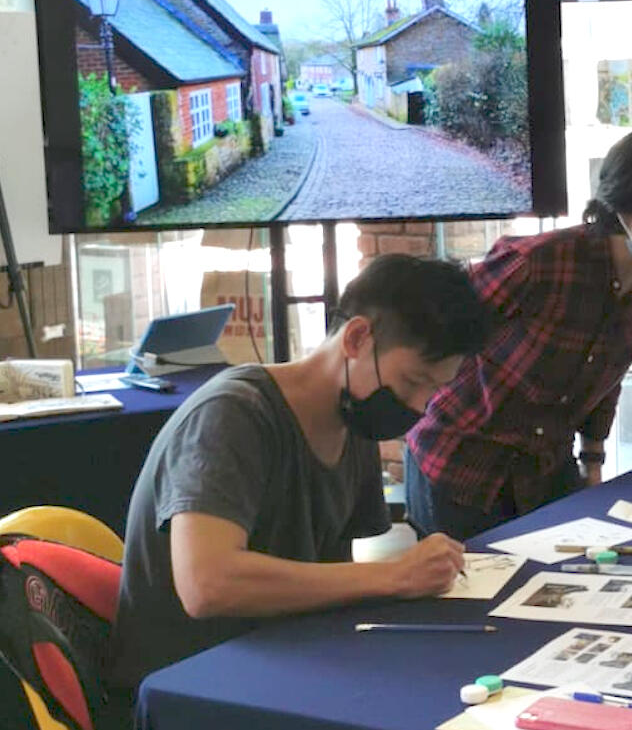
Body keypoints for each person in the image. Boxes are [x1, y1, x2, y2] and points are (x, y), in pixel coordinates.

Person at [109, 255, 488, 690]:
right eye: (412, 381)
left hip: (285, 659)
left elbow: (333, 578)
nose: (420, 406)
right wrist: (394, 576)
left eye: (434, 391)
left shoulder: (354, 424)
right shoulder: (232, 415)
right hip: (191, 685)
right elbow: (207, 584)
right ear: (357, 338)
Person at [405, 124, 632, 540]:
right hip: (461, 466)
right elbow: (441, 332)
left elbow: (607, 380)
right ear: (627, 205)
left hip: (544, 472)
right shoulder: (538, 263)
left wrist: (593, 460)